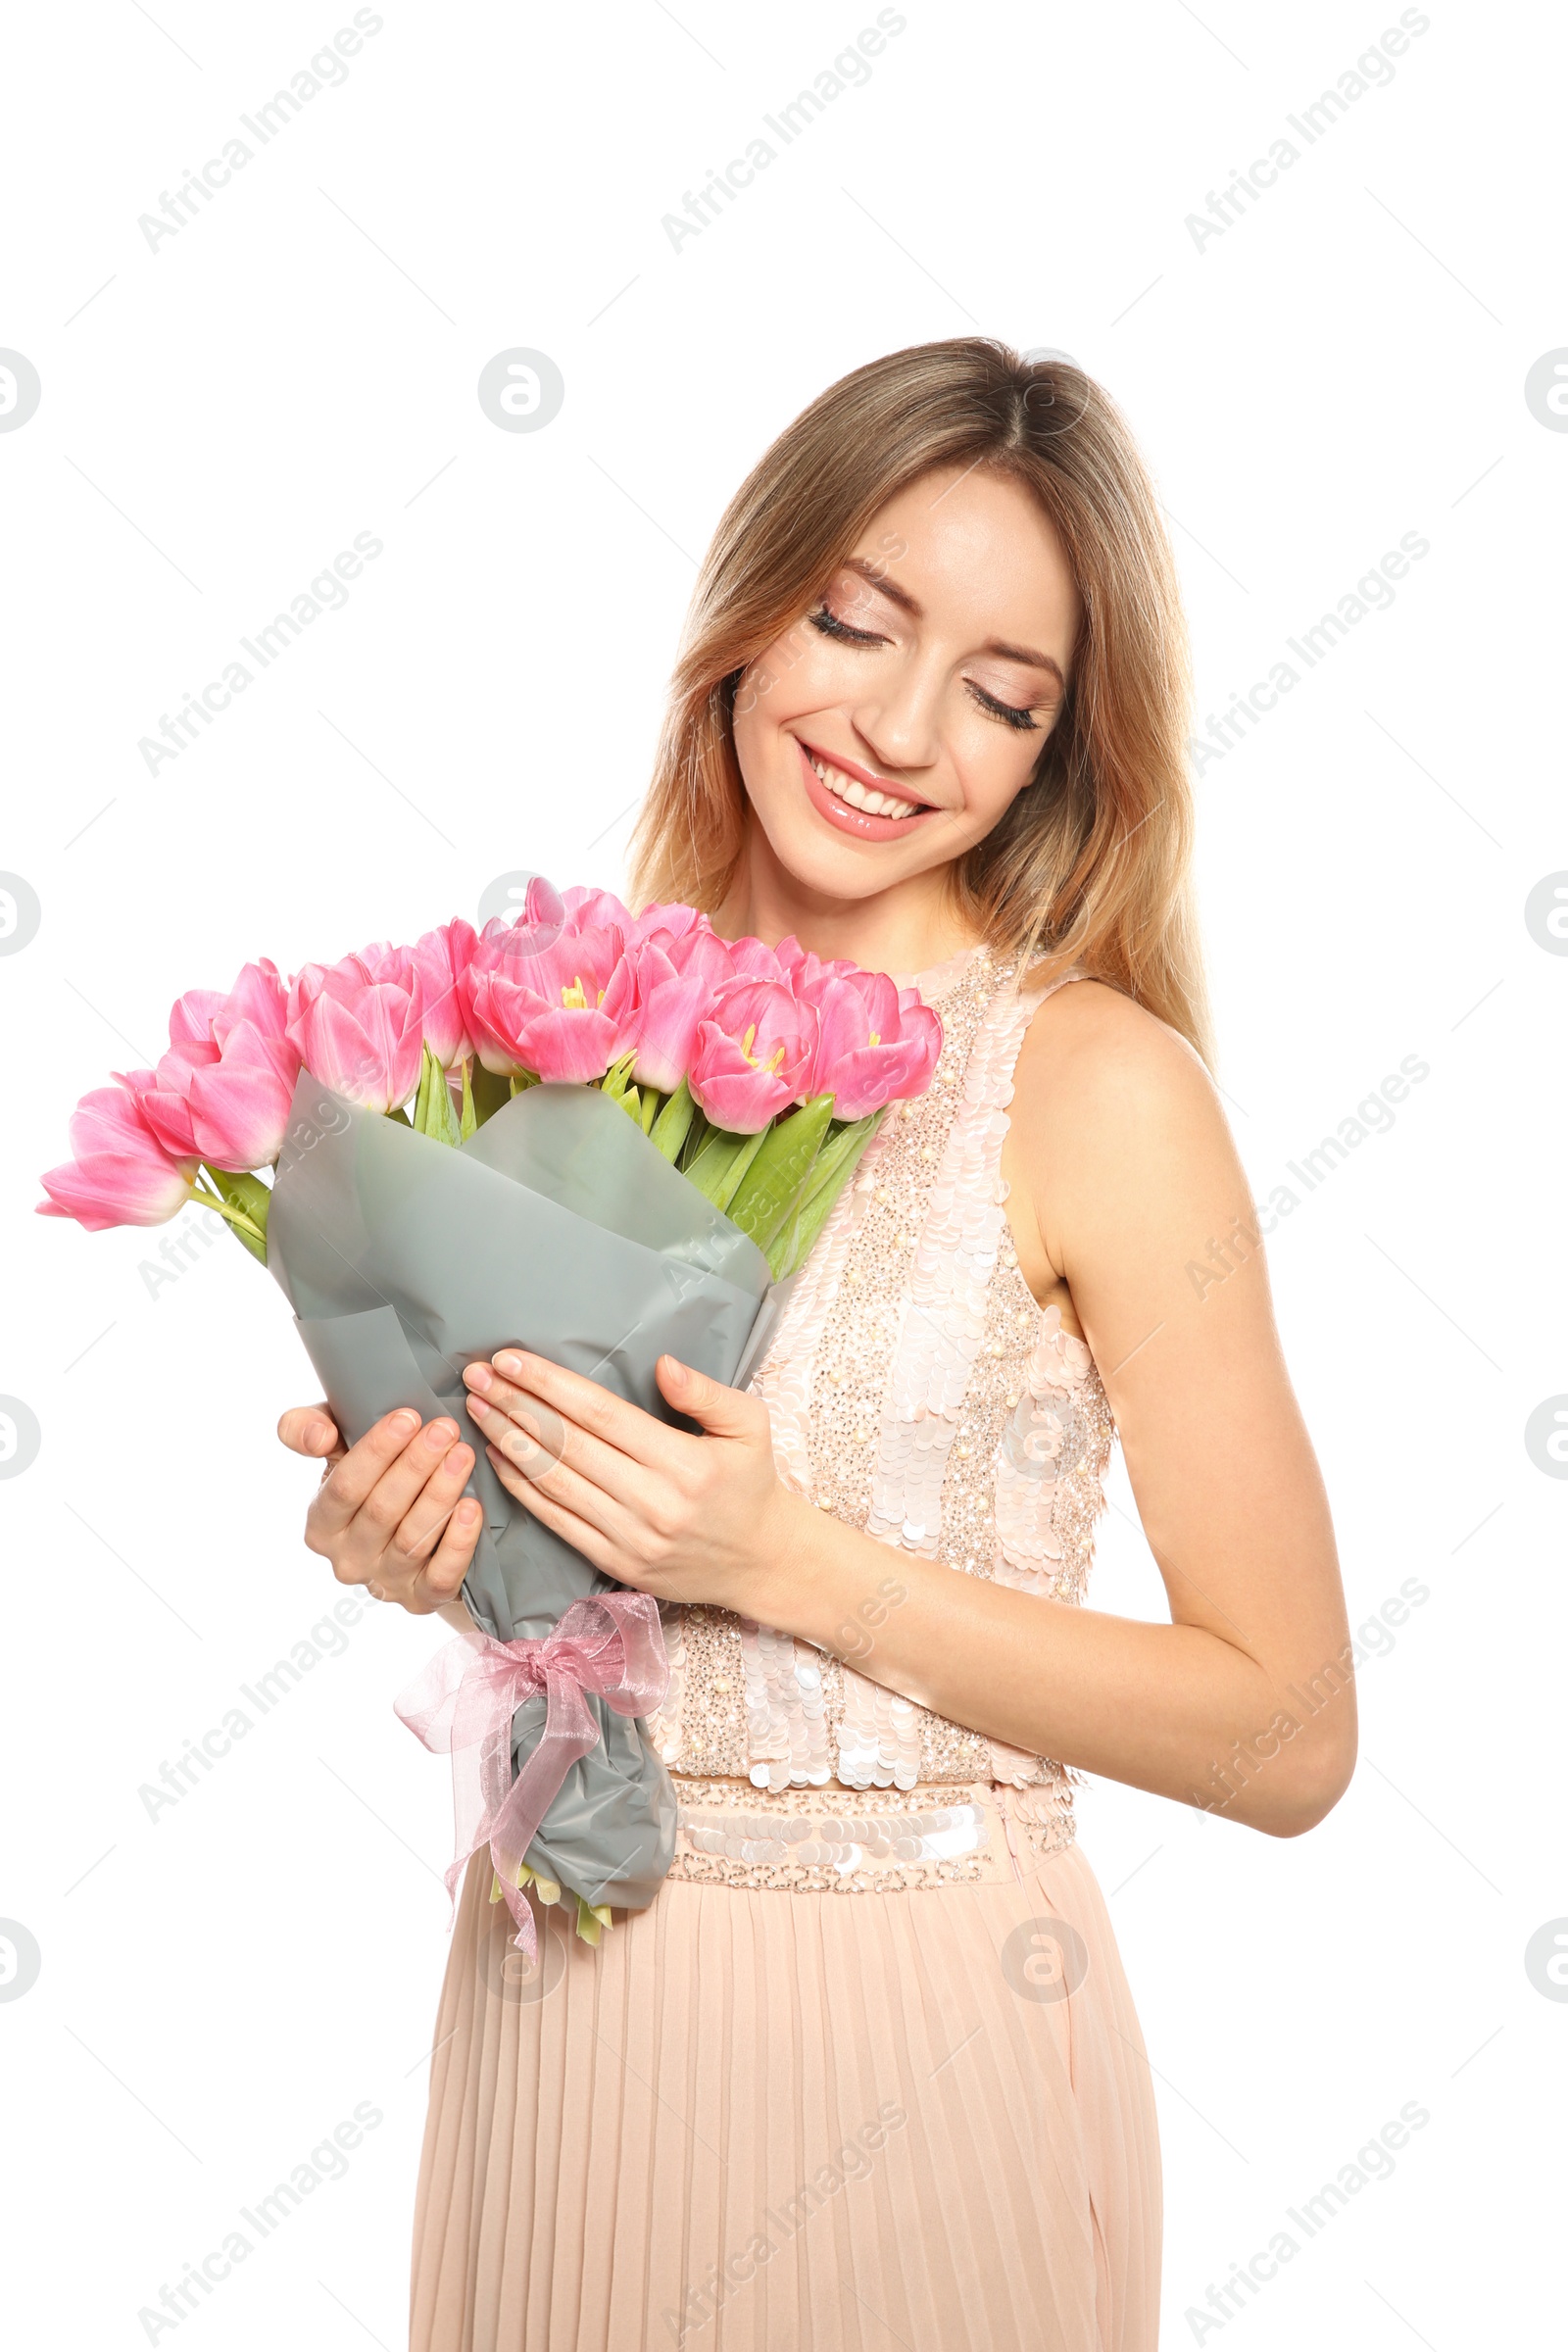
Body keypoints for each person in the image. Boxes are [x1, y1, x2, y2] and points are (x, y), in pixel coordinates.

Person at [277, 338, 1355, 2352]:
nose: (895, 724)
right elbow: (547, 1591)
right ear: (746, 617)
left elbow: (1285, 1730)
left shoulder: (1093, 1090)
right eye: (853, 619)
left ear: (1055, 750)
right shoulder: (543, 1051)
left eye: (999, 691)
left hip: (924, 2047)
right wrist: (416, 1531)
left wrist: (785, 1566)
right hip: (552, 2011)